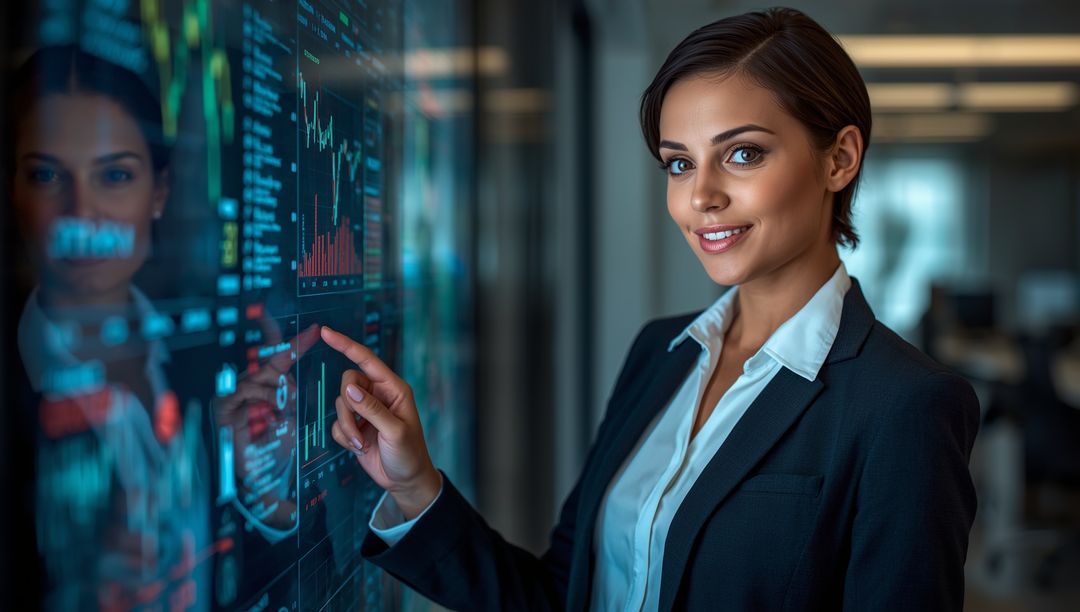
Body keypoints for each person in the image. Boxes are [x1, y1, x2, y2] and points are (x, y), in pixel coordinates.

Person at [320, 8, 979, 611]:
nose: (701, 198)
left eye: (743, 154)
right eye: (679, 164)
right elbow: (561, 596)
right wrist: (416, 488)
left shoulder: (902, 405)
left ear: (839, 159)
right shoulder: (661, 353)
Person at [8, 45, 212, 611]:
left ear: (160, 194)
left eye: (115, 175)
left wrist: (270, 500)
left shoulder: (207, 357)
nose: (82, 214)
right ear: (12, 192)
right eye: (47, 175)